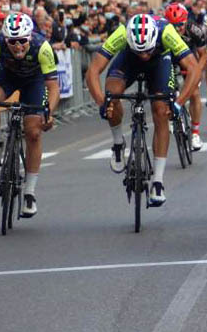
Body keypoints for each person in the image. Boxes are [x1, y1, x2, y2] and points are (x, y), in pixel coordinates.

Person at [85, 13, 200, 206]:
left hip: (160, 63)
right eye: (140, 51)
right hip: (127, 61)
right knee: (112, 95)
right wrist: (102, 103)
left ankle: (158, 181)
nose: (144, 56)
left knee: (161, 110)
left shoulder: (166, 31)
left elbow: (194, 69)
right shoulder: (122, 33)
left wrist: (179, 102)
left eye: (147, 51)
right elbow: (93, 70)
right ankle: (118, 143)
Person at [0, 13, 60, 218]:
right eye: (13, 41)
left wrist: (49, 111)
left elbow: (53, 85)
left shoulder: (43, 46)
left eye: (22, 40)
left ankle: (29, 192)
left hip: (35, 82)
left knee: (33, 132)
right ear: (6, 39)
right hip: (8, 76)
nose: (18, 46)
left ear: (29, 37)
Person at [164, 2, 207, 151]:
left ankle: (195, 133)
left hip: (189, 60)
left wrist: (198, 72)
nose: (178, 29)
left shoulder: (194, 30)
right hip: (170, 59)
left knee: (194, 93)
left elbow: (203, 55)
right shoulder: (163, 31)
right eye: (173, 26)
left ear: (186, 21)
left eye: (181, 25)